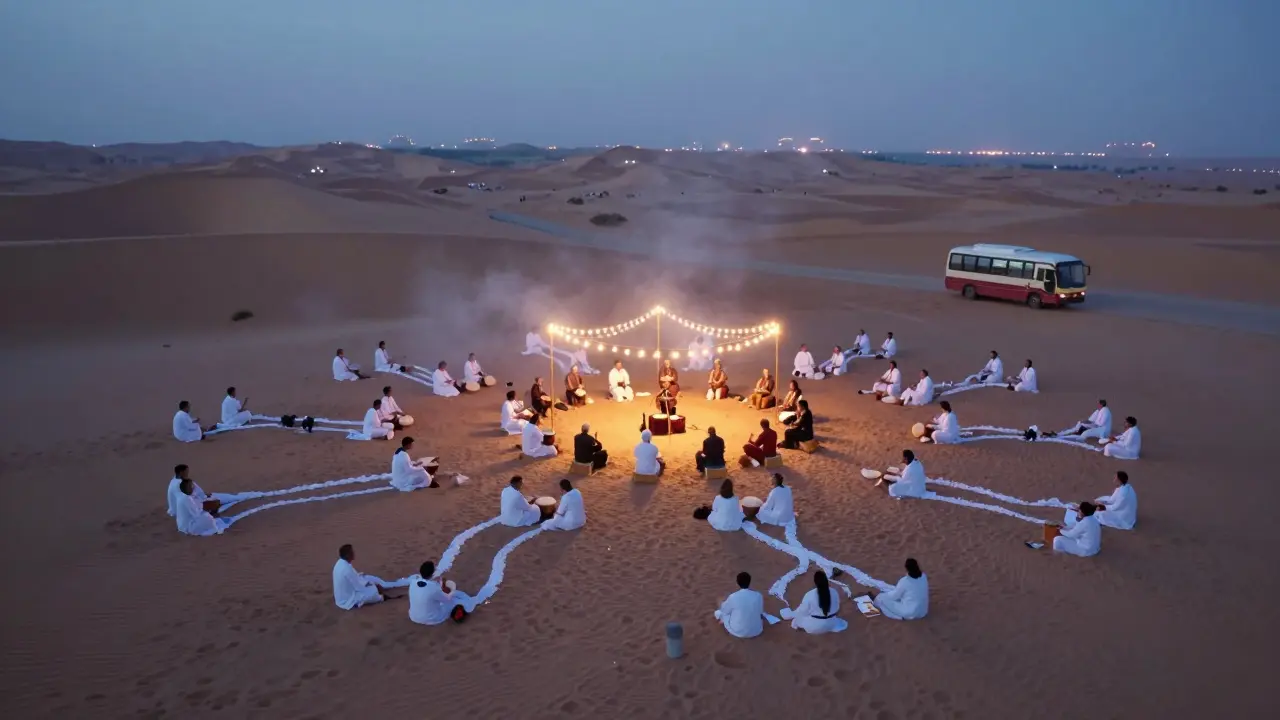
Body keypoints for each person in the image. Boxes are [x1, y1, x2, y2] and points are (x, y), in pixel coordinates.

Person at [1064, 471, 1137, 530]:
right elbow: (1111, 499)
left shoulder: (1123, 493)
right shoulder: (1124, 487)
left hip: (1123, 517)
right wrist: (1099, 500)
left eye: (1115, 478)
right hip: (1121, 511)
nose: (1113, 479)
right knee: (1099, 507)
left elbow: (1115, 507)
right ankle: (1086, 510)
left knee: (1099, 514)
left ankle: (1089, 517)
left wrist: (1102, 506)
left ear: (1119, 481)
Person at [408, 560, 472, 626]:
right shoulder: (433, 588)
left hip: (413, 616)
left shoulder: (413, 582)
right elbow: (447, 599)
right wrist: (453, 589)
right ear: (432, 573)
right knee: (455, 600)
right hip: (432, 618)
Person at [332, 544, 388, 609]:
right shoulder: (346, 568)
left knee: (367, 580)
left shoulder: (340, 563)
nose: (354, 553)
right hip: (347, 599)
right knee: (373, 592)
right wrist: (373, 586)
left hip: (342, 596)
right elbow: (359, 587)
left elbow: (354, 579)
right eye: (352, 552)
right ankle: (381, 598)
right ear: (347, 555)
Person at [714, 571, 767, 639]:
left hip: (738, 631)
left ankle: (723, 621)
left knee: (720, 609)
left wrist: (721, 603)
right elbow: (760, 612)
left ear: (737, 583)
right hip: (756, 630)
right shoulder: (758, 595)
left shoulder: (733, 597)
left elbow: (725, 611)